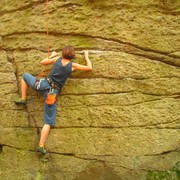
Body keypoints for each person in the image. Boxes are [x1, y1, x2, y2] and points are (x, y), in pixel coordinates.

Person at [15, 45, 92, 155]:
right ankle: (40, 146)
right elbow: (89, 68)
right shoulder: (72, 66)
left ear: (63, 53)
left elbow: (43, 62)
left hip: (42, 85)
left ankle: (23, 98)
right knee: (48, 121)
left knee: (25, 76)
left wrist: (52, 56)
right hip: (51, 94)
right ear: (73, 55)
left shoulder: (57, 59)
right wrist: (86, 56)